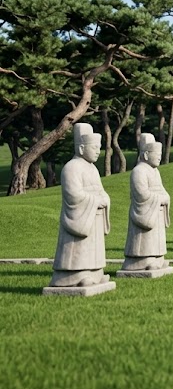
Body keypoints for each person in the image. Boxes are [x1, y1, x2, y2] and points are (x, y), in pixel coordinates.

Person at [49, 123, 111, 288]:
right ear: (82, 148)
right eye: (94, 147)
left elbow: (100, 190)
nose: (98, 151)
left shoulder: (93, 169)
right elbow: (73, 195)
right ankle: (75, 276)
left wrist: (104, 198)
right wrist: (96, 200)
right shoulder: (72, 168)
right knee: (80, 247)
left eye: (99, 147)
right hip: (81, 217)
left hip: (93, 216)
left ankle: (95, 273)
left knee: (94, 247)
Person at [123, 133, 171, 272]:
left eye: (160, 154)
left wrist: (165, 196)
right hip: (145, 212)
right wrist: (159, 198)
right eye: (156, 154)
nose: (159, 157)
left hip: (156, 210)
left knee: (156, 237)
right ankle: (142, 261)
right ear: (144, 155)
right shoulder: (139, 171)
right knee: (145, 239)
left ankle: (157, 257)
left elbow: (161, 189)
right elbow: (141, 194)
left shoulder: (155, 172)